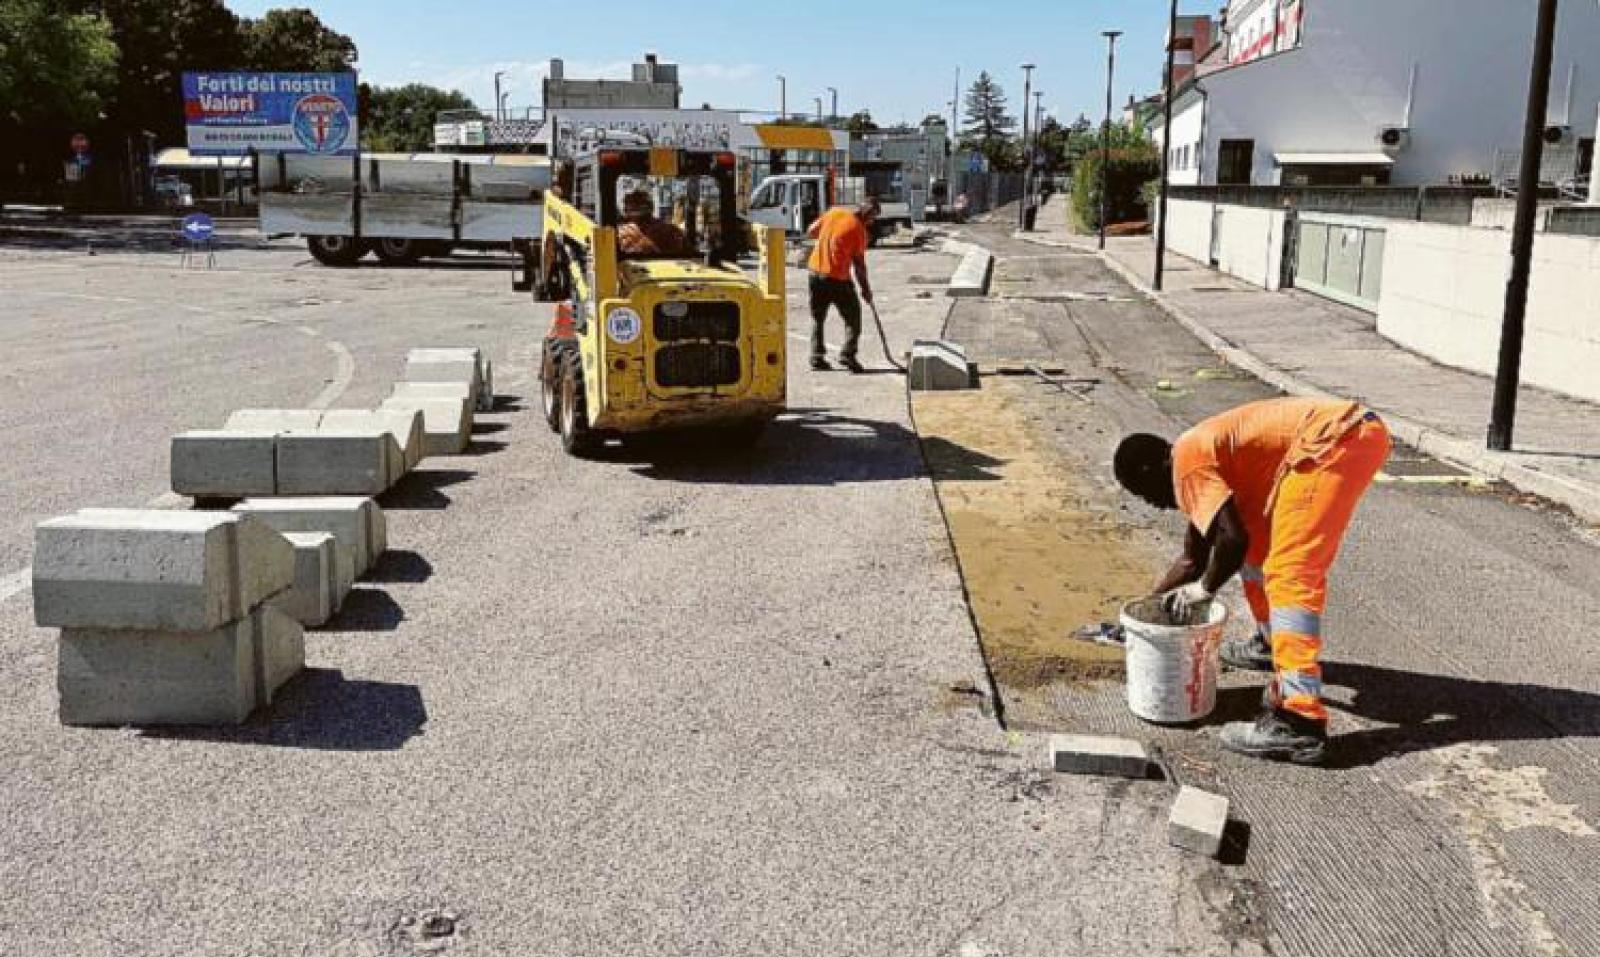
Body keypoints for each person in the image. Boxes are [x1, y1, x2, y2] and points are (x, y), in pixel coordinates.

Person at [1112, 397, 1391, 765]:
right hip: (1338, 434)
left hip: (1332, 441)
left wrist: (1205, 590)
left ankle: (1298, 719)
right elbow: (1193, 558)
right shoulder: (1199, 458)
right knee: (1258, 553)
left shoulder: (1188, 465)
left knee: (1289, 571)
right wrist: (1144, 611)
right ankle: (1270, 643)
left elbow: (1230, 541)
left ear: (1151, 469)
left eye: (1142, 493)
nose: (1151, 503)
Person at [805, 199, 879, 373]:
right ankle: (848, 353)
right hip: (837, 278)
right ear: (868, 216)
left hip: (815, 272)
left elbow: (811, 231)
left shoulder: (834, 212)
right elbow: (859, 266)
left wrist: (829, 237)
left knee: (818, 317)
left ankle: (816, 356)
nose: (873, 222)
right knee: (853, 317)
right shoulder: (859, 232)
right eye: (873, 218)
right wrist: (866, 290)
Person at [616, 189, 686, 256]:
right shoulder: (619, 231)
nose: (634, 214)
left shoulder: (670, 231)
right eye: (630, 209)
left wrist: (647, 246)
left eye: (637, 207)